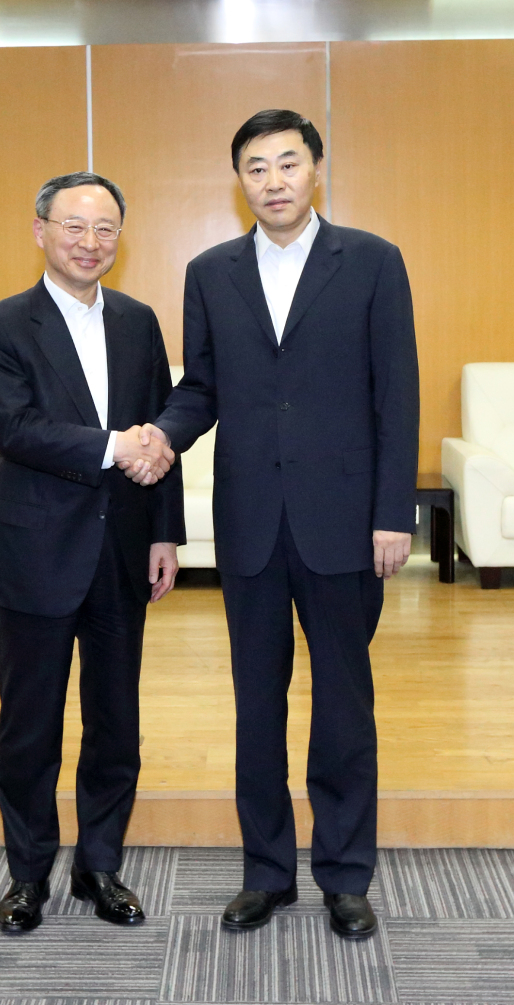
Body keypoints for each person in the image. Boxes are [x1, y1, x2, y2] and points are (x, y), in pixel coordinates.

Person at [124, 110, 419, 938]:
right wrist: (160, 435)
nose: (275, 180)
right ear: (240, 182)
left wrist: (393, 513)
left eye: (289, 163)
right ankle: (266, 872)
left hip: (345, 524)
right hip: (251, 522)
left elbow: (398, 395)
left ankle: (345, 873)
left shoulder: (371, 261)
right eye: (257, 167)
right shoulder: (210, 270)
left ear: (316, 169)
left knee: (344, 704)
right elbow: (202, 388)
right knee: (257, 706)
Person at [0, 171, 184, 934]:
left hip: (123, 553)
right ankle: (28, 874)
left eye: (105, 230)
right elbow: (15, 427)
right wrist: (111, 445)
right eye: (74, 227)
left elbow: (161, 431)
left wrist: (165, 532)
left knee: (115, 720)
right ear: (40, 231)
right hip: (37, 554)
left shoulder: (138, 320)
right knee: (30, 724)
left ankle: (101, 864)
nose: (90, 243)